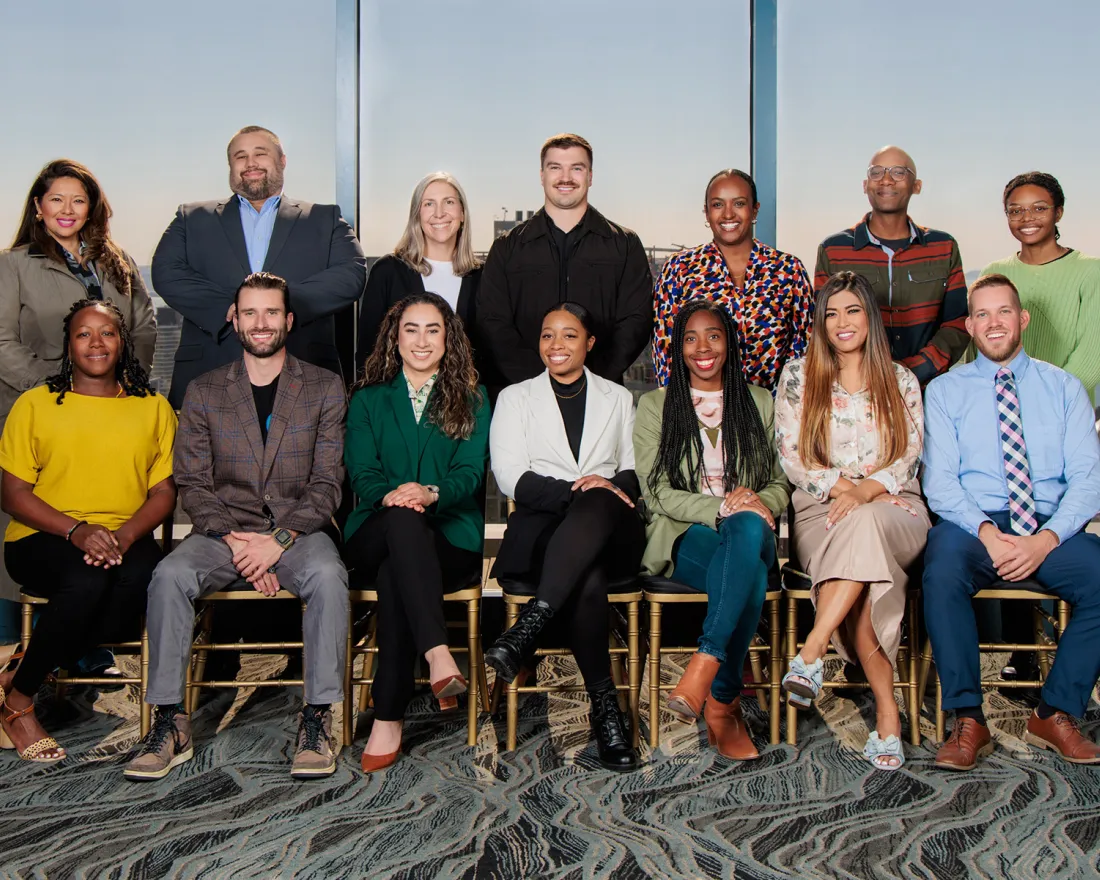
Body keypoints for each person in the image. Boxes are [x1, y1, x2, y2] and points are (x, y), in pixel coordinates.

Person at [124, 273, 350, 782]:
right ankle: (169, 721)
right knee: (168, 576)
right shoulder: (204, 392)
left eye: (271, 312)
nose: (261, 323)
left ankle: (316, 717)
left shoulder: (324, 387)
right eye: (250, 312)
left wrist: (278, 543)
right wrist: (237, 541)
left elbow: (326, 484)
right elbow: (193, 483)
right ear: (234, 319)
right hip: (222, 535)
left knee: (330, 578)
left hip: (297, 531)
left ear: (288, 320)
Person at [922, 274, 1100, 771]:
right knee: (941, 574)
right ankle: (968, 719)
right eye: (982, 314)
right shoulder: (945, 391)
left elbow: (1089, 480)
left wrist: (1044, 540)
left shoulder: (1063, 388)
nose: (993, 322)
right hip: (973, 524)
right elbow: (940, 483)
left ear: (1021, 320)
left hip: (1050, 524)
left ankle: (1055, 711)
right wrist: (985, 533)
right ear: (970, 326)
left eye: (1003, 312)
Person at [0, 300, 175, 763]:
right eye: (83, 334)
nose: (96, 343)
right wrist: (77, 531)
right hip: (43, 536)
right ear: (68, 344)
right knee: (87, 580)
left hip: (125, 535)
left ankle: (28, 662)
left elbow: (163, 492)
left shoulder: (152, 407)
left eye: (107, 333)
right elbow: (13, 493)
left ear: (122, 343)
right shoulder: (35, 404)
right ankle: (18, 704)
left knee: (145, 581)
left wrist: (123, 536)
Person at [775, 271, 929, 771]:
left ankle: (812, 650)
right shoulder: (799, 376)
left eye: (853, 311)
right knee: (864, 579)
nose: (842, 322)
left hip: (895, 505)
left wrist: (866, 492)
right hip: (822, 509)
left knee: (865, 527)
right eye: (832, 313)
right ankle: (888, 715)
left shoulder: (901, 379)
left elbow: (909, 455)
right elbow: (793, 457)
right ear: (820, 322)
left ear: (870, 317)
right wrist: (845, 490)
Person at [487, 302, 643, 771]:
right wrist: (580, 491)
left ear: (589, 343)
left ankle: (530, 625)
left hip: (612, 528)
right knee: (588, 573)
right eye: (547, 335)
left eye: (570, 335)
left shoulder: (618, 397)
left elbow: (634, 472)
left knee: (602, 496)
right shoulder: (515, 398)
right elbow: (510, 476)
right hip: (541, 528)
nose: (557, 345)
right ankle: (606, 709)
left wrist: (602, 490)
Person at [634, 301, 791, 760]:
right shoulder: (655, 405)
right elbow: (657, 490)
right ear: (677, 348)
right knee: (753, 577)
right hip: (685, 534)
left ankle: (706, 662)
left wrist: (758, 503)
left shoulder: (759, 401)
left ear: (729, 343)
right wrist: (721, 506)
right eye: (690, 338)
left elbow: (781, 481)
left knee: (745, 526)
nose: (703, 347)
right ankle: (723, 703)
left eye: (714, 336)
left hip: (752, 528)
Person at [0, 160, 156, 618]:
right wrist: (50, 389)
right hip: (37, 411)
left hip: (109, 413)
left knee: (105, 533)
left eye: (78, 200)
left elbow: (143, 325)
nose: (67, 210)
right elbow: (2, 339)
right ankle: (19, 646)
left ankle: (78, 652)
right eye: (56, 199)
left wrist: (123, 383)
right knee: (41, 531)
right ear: (38, 206)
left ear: (92, 207)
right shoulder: (14, 265)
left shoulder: (118, 259)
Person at [344, 293, 489, 773]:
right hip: (375, 526)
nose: (422, 340)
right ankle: (438, 652)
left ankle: (389, 713)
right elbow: (361, 475)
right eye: (411, 329)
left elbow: (470, 474)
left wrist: (429, 493)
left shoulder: (471, 397)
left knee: (395, 575)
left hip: (448, 536)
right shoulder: (367, 399)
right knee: (401, 526)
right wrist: (397, 498)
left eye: (433, 329)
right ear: (395, 336)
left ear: (449, 339)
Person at [983, 172, 1100, 690]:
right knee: (1007, 523)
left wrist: (1043, 405)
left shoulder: (1089, 272)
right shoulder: (996, 271)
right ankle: (1022, 652)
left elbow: (1092, 357)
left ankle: (1070, 649)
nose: (1027, 218)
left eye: (1038, 207)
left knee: (1058, 526)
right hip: (1000, 421)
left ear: (1058, 211)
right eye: (1016, 209)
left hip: (1060, 421)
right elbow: (981, 350)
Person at [152, 125, 366, 408]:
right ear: (230, 166)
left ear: (282, 160)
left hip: (305, 377)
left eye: (260, 153)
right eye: (240, 156)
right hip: (210, 373)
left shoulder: (324, 218)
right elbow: (166, 271)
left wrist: (278, 303)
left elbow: (351, 273)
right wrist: (233, 306)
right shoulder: (191, 218)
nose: (250, 163)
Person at [476, 134, 652, 391]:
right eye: (555, 167)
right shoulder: (507, 248)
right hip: (523, 396)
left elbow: (636, 322)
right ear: (542, 175)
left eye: (576, 168)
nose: (565, 177)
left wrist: (588, 380)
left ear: (590, 176)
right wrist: (538, 383)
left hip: (600, 395)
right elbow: (492, 322)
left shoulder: (624, 245)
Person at [814, 146, 968, 385]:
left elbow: (957, 322)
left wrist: (914, 371)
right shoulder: (834, 250)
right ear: (865, 185)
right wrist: (862, 374)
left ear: (917, 186)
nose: (886, 179)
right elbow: (824, 323)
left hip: (927, 388)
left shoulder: (944, 247)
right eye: (876, 172)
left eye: (898, 172)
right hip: (855, 388)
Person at [652, 169, 813, 391]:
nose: (728, 214)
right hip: (699, 414)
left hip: (774, 414)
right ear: (706, 212)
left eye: (738, 203)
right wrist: (680, 414)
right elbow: (665, 349)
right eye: (718, 205)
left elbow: (804, 352)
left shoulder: (789, 271)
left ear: (755, 209)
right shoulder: (680, 269)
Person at [355, 172, 486, 374]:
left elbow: (489, 351)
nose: (439, 213)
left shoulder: (483, 276)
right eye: (428, 204)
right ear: (417, 215)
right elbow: (369, 350)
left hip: (468, 400)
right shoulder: (388, 271)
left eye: (449, 202)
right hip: (399, 400)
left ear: (462, 214)